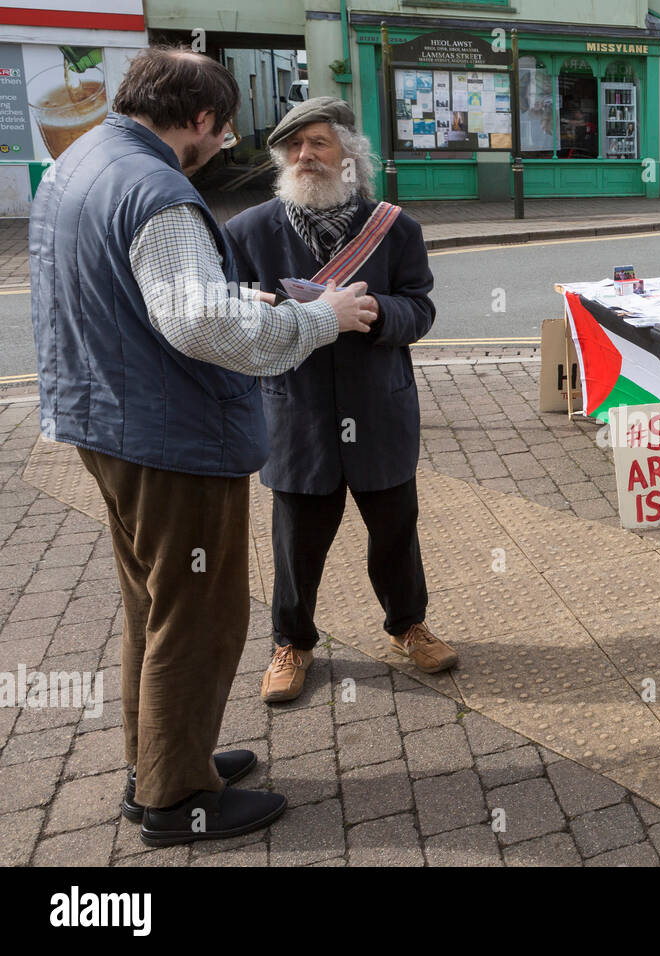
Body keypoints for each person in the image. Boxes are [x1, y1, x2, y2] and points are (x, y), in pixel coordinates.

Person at [28, 48, 377, 845]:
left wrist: (225, 297)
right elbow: (200, 325)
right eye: (221, 132)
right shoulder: (160, 192)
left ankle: (155, 763)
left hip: (104, 418)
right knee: (197, 619)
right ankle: (177, 798)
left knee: (150, 608)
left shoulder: (81, 158)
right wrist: (318, 321)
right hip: (171, 434)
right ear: (198, 120)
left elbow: (136, 295)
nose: (222, 146)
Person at [222, 98, 457, 706]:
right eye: (293, 147)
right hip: (295, 413)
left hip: (379, 410)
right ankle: (291, 642)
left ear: (350, 156)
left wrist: (378, 312)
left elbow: (421, 308)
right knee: (296, 542)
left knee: (395, 535)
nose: (306, 157)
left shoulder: (394, 227)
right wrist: (273, 311)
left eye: (319, 144)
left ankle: (408, 626)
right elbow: (230, 310)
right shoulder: (247, 231)